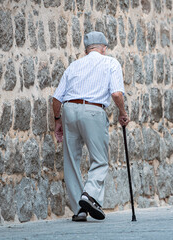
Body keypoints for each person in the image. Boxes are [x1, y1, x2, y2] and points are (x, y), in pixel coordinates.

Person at [52, 31, 129, 221]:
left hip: (69, 109)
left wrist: (57, 120)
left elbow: (56, 98)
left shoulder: (74, 65)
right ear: (103, 47)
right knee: (100, 159)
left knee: (71, 160)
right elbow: (117, 94)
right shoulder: (111, 62)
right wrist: (122, 112)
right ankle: (89, 194)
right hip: (93, 110)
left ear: (87, 49)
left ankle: (79, 209)